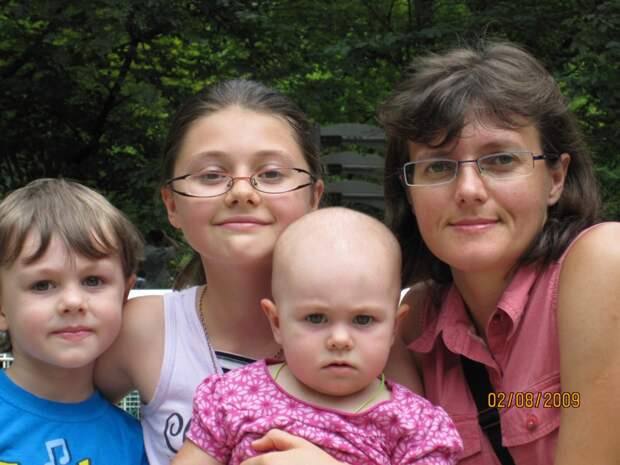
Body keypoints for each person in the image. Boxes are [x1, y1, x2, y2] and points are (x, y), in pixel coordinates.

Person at [378, 41, 620, 464]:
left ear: (556, 178)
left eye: (501, 160)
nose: (469, 190)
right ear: (410, 194)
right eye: (438, 166)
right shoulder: (413, 324)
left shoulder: (604, 263)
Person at [94, 79, 336, 465]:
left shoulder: (368, 335)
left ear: (314, 198)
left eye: (272, 174)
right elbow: (52, 413)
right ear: (171, 205)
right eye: (211, 175)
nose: (242, 192)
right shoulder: (142, 330)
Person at [172, 207, 463, 465]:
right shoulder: (234, 396)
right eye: (316, 318)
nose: (340, 339)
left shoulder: (414, 425)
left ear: (393, 328)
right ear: (277, 322)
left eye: (363, 320)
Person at [0, 178, 148, 464]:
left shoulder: (135, 443)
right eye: (42, 284)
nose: (72, 302)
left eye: (93, 280)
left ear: (124, 295)